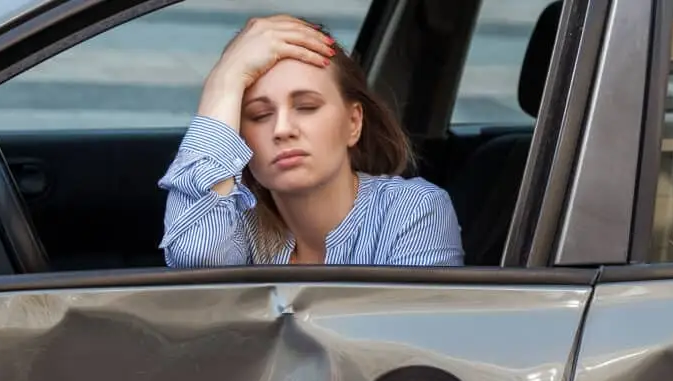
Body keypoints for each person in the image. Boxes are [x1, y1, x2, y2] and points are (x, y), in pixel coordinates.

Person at [158, 15, 464, 267]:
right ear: (239, 139)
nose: (282, 129)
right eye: (260, 115)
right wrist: (223, 82)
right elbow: (195, 256)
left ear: (353, 123)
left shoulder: (414, 210)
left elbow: (408, 323)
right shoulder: (238, 226)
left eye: (306, 107)